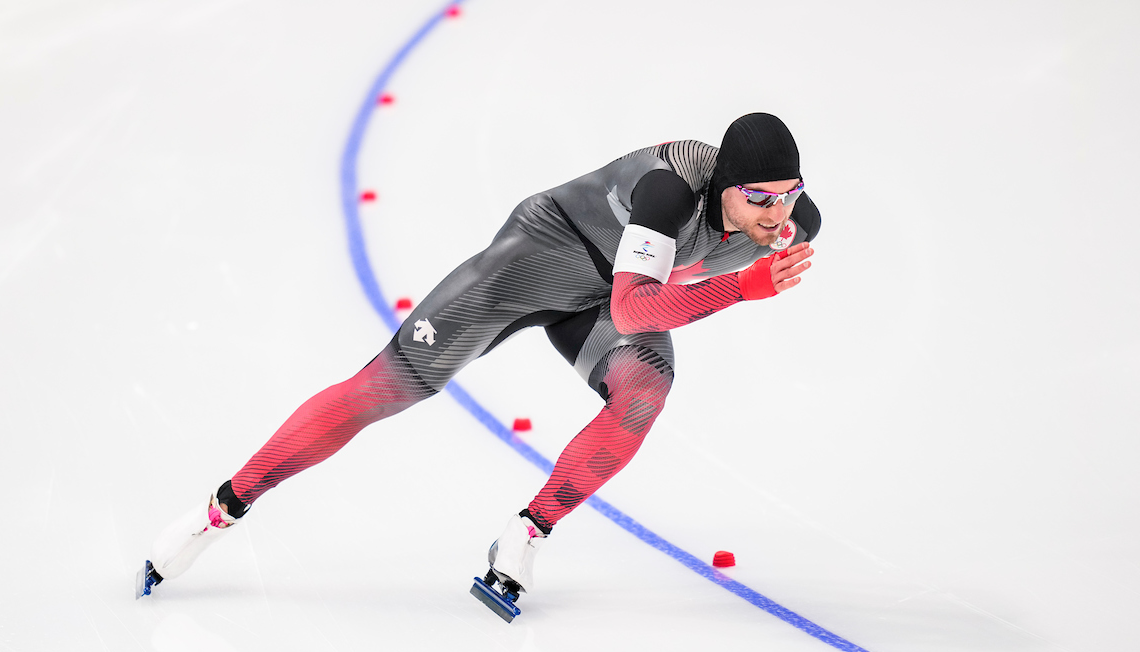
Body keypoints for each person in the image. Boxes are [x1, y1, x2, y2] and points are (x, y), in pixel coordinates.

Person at [138, 112, 820, 607]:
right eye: (758, 197)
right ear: (725, 186)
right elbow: (636, 308)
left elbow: (640, 302)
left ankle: (527, 533)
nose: (774, 212)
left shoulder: (790, 220)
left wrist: (752, 259)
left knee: (642, 394)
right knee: (379, 390)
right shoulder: (671, 190)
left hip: (601, 299)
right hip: (537, 259)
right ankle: (219, 511)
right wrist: (742, 287)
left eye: (786, 194)